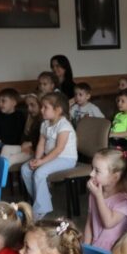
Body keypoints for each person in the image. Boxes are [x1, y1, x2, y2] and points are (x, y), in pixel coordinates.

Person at [21, 92, 78, 221]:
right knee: (26, 169)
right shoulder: (45, 124)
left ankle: (41, 209)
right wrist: (37, 159)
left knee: (39, 173)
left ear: (58, 110)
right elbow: (41, 144)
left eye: (45, 107)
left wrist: (41, 163)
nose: (41, 110)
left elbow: (59, 149)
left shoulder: (64, 125)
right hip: (51, 157)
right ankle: (42, 197)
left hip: (66, 159)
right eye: (42, 107)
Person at [84, 148, 127, 251]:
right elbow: (89, 223)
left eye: (97, 171)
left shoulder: (125, 200)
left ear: (114, 177)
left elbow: (108, 223)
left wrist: (98, 196)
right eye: (92, 168)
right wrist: (86, 247)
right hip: (95, 246)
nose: (91, 174)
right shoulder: (94, 193)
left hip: (114, 251)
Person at [0, 88, 27, 159]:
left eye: (3, 101)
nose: (0, 104)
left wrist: (1, 141)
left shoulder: (19, 116)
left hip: (11, 145)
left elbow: (17, 136)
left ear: (14, 103)